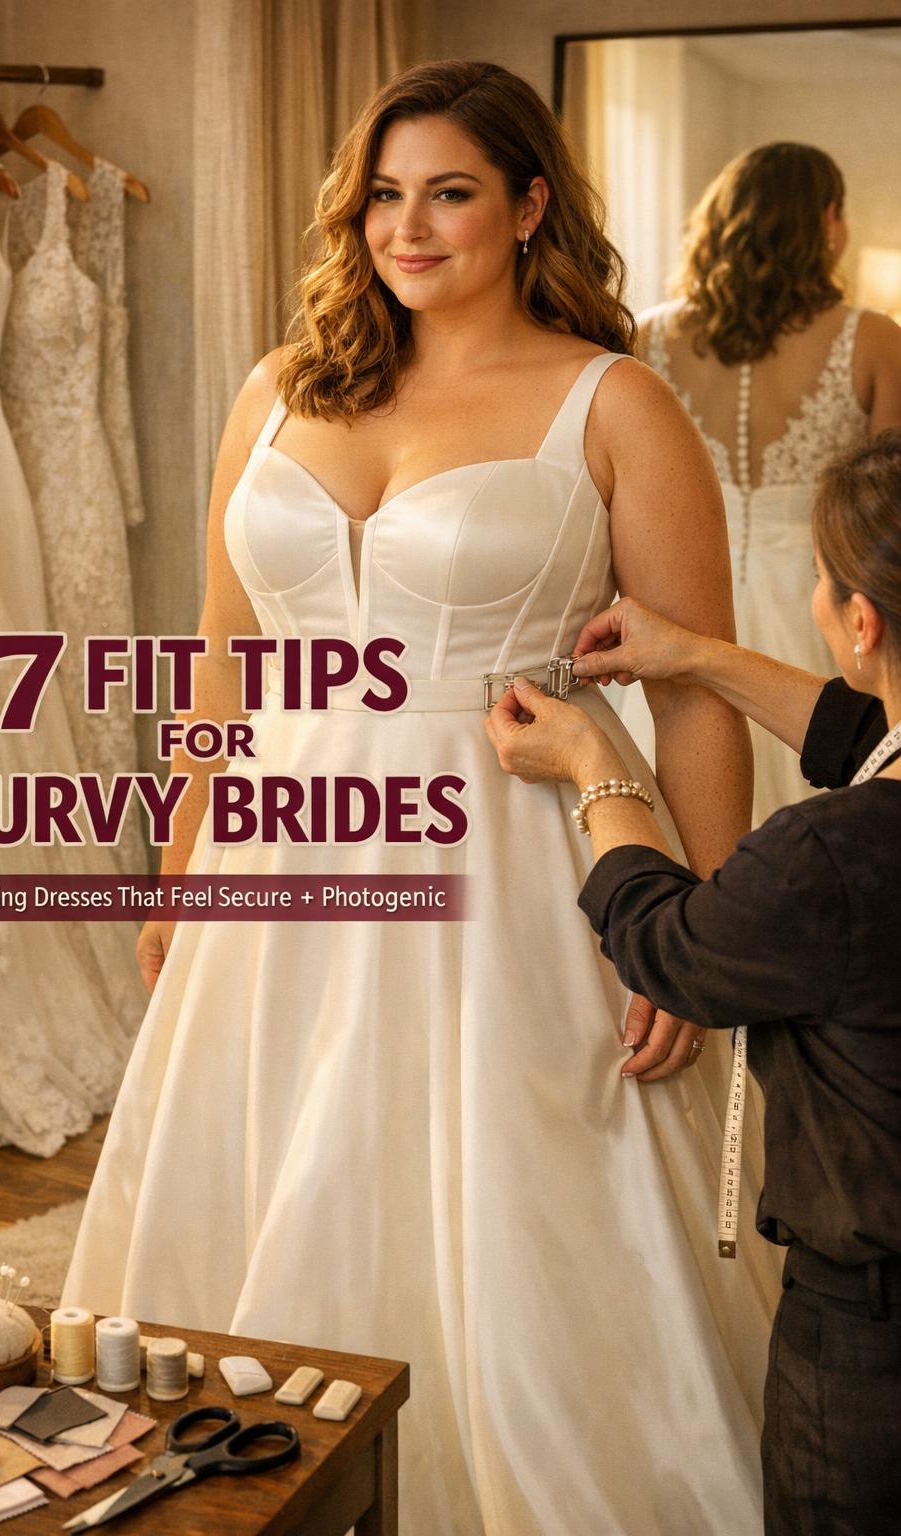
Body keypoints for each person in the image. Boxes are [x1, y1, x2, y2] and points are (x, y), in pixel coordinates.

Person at [63, 61, 781, 1533]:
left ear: (527, 206)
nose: (411, 226)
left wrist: (703, 939)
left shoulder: (616, 402)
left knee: (522, 1211)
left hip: (516, 857)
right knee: (268, 1169)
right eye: (386, 194)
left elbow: (692, 690)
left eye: (451, 192)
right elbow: (224, 652)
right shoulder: (281, 385)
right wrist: (181, 857)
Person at [484, 430, 901, 1536]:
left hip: (870, 1349)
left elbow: (668, 944)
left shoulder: (832, 859)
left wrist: (595, 768)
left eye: (820, 581)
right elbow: (853, 730)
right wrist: (694, 656)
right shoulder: (871, 792)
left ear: (858, 622)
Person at [636, 142, 901, 824]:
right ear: (827, 221)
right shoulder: (873, 339)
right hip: (821, 600)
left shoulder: (647, 339)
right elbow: (886, 507)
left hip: (679, 590)